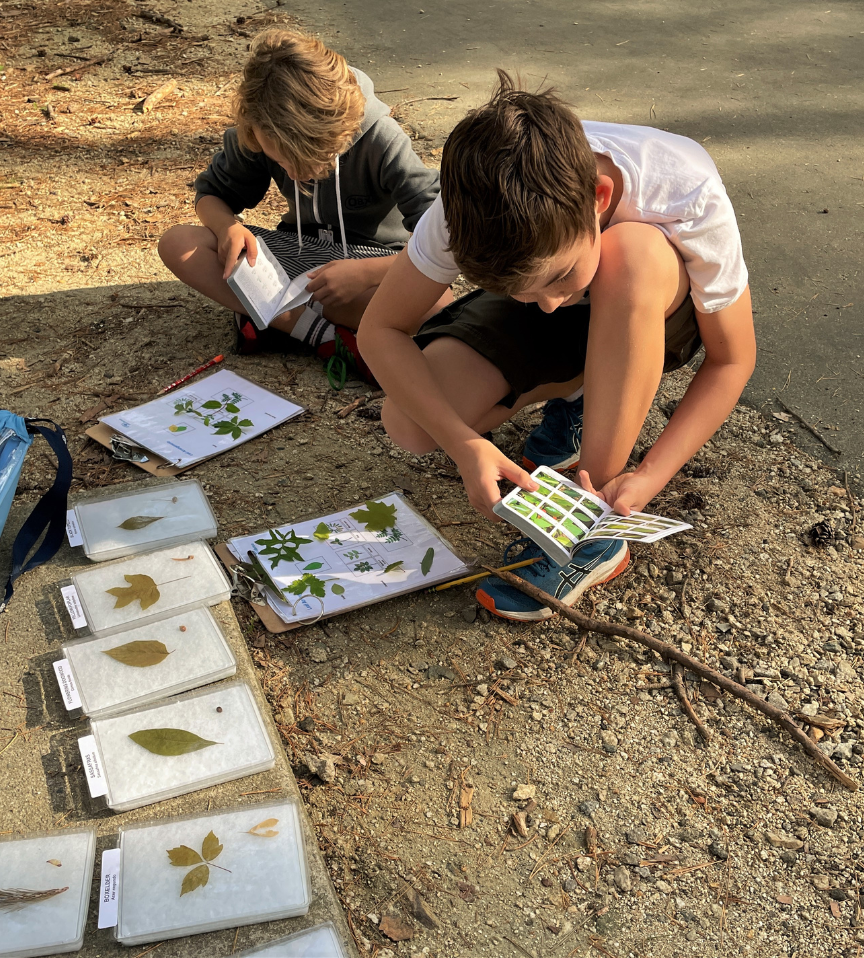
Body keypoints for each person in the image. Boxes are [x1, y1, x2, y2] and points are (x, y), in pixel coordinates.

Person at [356, 72, 756, 621]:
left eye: (559, 277)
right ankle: (582, 393)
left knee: (630, 253)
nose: (546, 306)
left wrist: (646, 478)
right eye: (517, 290)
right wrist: (464, 444)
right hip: (584, 300)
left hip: (651, 308)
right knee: (411, 423)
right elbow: (380, 331)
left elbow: (733, 359)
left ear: (600, 197)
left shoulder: (680, 185)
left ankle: (594, 519)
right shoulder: (465, 209)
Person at [158, 27, 449, 385]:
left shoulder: (381, 140)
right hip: (295, 255)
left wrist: (367, 273)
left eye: (311, 161)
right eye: (280, 162)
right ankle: (325, 336)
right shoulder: (258, 131)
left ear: (341, 132)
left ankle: (272, 317)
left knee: (440, 308)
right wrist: (226, 228)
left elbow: (444, 239)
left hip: (370, 265)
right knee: (179, 243)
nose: (294, 173)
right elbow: (211, 196)